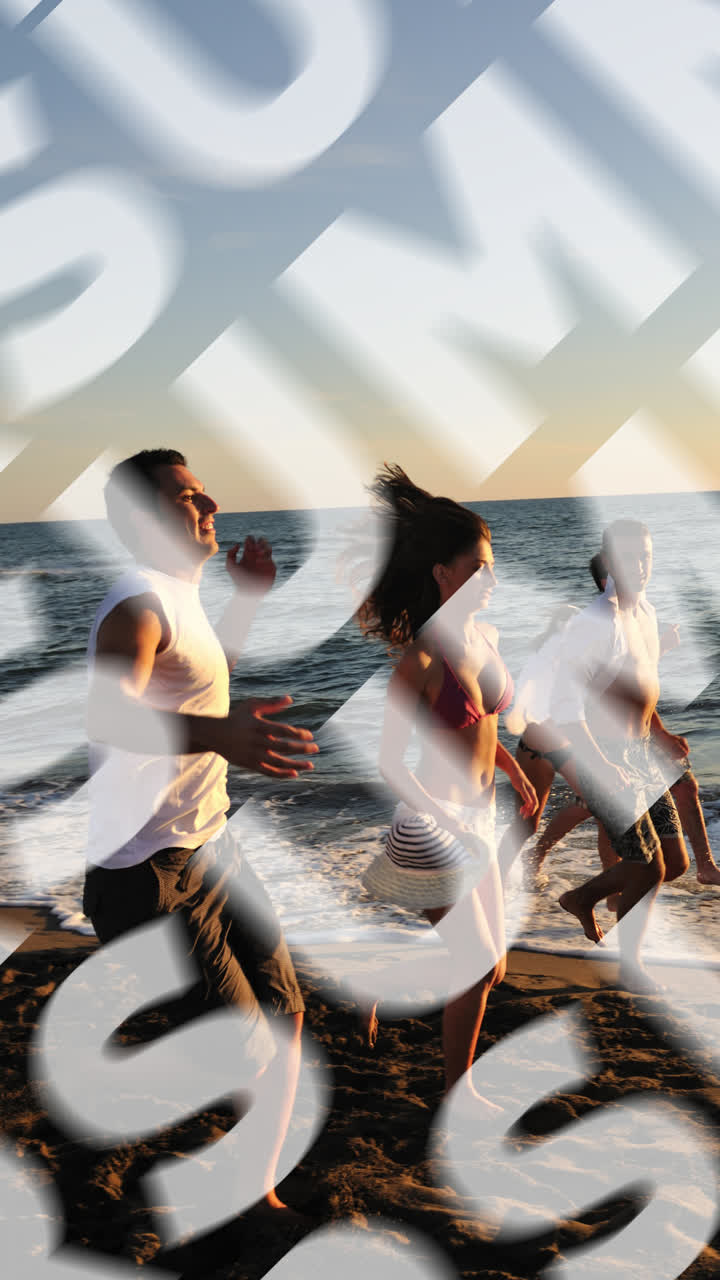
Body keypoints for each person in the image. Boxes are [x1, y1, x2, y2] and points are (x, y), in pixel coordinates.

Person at [83, 447, 319, 1218]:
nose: (211, 505)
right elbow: (109, 714)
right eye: (189, 497)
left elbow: (201, 681)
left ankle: (259, 1188)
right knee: (246, 1051)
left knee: (285, 1013)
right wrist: (218, 735)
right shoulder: (137, 605)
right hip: (147, 871)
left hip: (213, 844)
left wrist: (245, 602)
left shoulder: (179, 598)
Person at [356, 466, 536, 1096]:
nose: (492, 580)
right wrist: (449, 822)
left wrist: (512, 768)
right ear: (442, 574)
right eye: (478, 569)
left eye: (492, 567)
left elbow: (483, 725)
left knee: (493, 968)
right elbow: (390, 763)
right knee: (478, 965)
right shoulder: (421, 660)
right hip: (432, 825)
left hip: (478, 819)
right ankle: (460, 1093)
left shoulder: (485, 636)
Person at [552, 520, 690, 988]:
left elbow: (639, 683)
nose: (641, 566)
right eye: (631, 558)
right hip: (604, 756)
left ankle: (581, 898)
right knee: (647, 867)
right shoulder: (595, 623)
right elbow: (565, 707)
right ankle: (629, 964)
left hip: (642, 753)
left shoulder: (645, 612)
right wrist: (603, 764)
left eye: (646, 556)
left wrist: (661, 734)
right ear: (609, 562)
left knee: (674, 863)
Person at [530, 553, 720, 888]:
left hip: (642, 736)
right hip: (605, 738)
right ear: (608, 581)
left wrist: (661, 732)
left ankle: (704, 867)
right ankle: (598, 879)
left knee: (684, 786)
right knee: (595, 808)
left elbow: (639, 693)